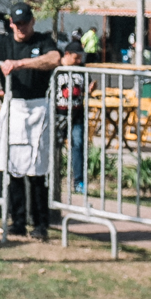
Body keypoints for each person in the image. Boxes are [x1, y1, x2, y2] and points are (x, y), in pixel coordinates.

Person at [0, 4, 63, 240]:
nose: (20, 28)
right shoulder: (3, 41)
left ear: (32, 21)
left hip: (37, 107)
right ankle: (17, 221)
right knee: (13, 168)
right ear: (10, 24)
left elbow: (54, 58)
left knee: (36, 171)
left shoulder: (43, 40)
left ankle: (40, 224)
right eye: (16, 24)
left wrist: (20, 63)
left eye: (24, 23)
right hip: (13, 106)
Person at [58, 35, 89, 193]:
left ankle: (79, 182)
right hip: (58, 115)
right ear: (67, 54)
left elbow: (84, 88)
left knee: (78, 146)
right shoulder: (56, 68)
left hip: (77, 115)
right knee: (54, 147)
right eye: (76, 58)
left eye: (80, 58)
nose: (78, 61)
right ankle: (53, 178)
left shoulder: (82, 69)